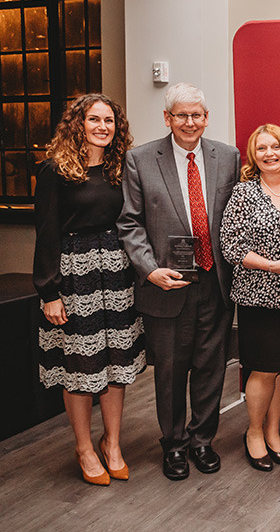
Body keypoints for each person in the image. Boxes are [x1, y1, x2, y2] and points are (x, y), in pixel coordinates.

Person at [118, 82, 240, 480]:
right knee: (170, 371)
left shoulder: (228, 156)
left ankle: (202, 441)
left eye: (197, 115)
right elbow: (129, 223)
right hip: (165, 283)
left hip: (215, 281)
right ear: (167, 118)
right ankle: (173, 445)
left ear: (206, 118)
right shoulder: (139, 159)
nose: (190, 122)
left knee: (211, 367)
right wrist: (150, 269)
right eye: (181, 115)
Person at [33, 93, 145, 486]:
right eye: (94, 119)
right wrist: (49, 292)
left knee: (116, 363)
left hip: (116, 271)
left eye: (109, 121)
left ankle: (112, 443)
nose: (103, 127)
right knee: (79, 368)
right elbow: (46, 233)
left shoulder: (121, 169)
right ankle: (83, 447)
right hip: (74, 273)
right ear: (78, 124)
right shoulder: (55, 171)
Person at [221, 124, 280, 472]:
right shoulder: (243, 194)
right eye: (261, 149)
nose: (269, 154)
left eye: (276, 147)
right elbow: (231, 245)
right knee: (262, 368)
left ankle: (274, 432)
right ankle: (254, 433)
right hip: (258, 295)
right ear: (253, 156)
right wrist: (272, 266)